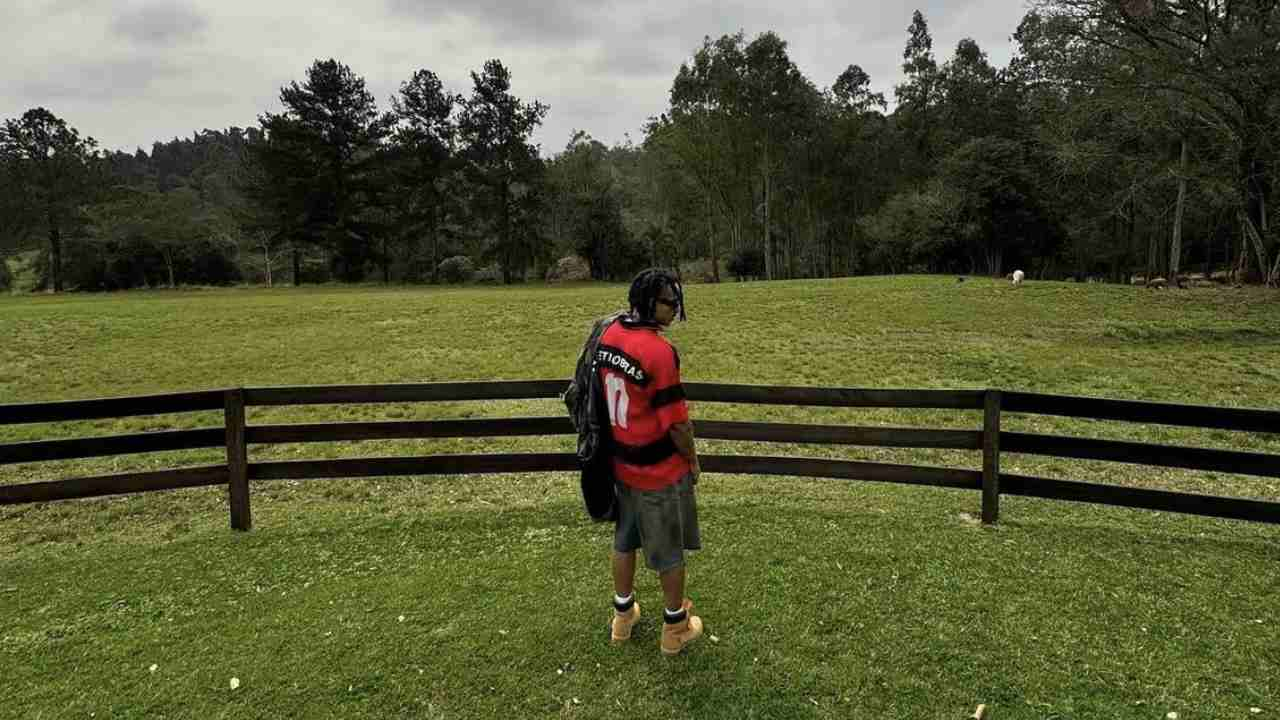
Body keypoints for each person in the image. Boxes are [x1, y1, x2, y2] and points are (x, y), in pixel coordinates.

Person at [600, 268, 704, 656]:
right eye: (668, 301)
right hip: (657, 472)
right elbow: (677, 424)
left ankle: (623, 617)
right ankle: (675, 628)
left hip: (622, 465)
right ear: (648, 303)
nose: (676, 308)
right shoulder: (658, 352)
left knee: (624, 541)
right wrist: (692, 461)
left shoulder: (610, 335)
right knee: (669, 551)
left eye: (677, 300)